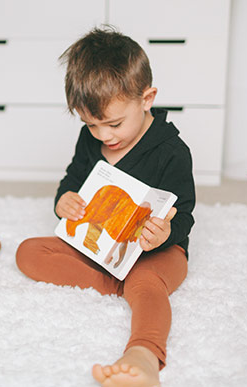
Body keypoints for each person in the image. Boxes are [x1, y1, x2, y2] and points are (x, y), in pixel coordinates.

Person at [15, 27, 195, 387]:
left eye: (113, 124)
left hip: (155, 252)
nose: (104, 136)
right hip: (100, 245)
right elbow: (73, 179)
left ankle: (143, 356)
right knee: (28, 252)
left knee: (147, 284)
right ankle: (115, 283)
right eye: (91, 125)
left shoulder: (172, 152)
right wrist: (63, 200)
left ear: (147, 99)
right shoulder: (91, 138)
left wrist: (164, 233)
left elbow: (185, 215)